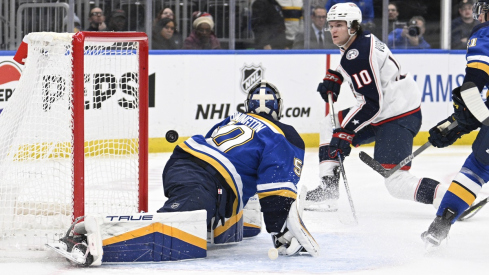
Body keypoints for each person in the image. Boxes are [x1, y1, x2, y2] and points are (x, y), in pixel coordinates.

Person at [304, 3, 446, 211]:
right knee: (329, 124)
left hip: (397, 116)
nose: (333, 30)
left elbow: (371, 104)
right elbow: (362, 67)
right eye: (331, 25)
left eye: (339, 25)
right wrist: (338, 75)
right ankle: (328, 190)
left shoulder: (358, 55)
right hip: (391, 108)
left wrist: (346, 132)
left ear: (352, 26)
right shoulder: (362, 39)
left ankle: (448, 197)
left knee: (396, 182)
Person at [157, 80, 319, 256]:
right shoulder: (283, 134)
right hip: (205, 184)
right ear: (278, 108)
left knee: (227, 185)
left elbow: (213, 140)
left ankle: (232, 214)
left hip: (181, 162)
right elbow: (275, 186)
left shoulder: (234, 118)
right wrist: (280, 231)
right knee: (172, 228)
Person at [421, 0, 489, 247]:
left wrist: (460, 123)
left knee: (478, 169)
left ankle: (440, 227)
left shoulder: (484, 32)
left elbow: (473, 85)